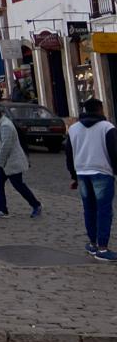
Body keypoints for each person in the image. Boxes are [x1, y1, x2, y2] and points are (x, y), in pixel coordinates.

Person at [64, 98, 117, 260]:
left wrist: (74, 175)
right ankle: (102, 248)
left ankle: (93, 243)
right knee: (104, 210)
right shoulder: (107, 127)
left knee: (89, 209)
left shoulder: (73, 129)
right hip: (102, 172)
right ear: (100, 109)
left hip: (82, 173)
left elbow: (68, 154)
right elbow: (114, 152)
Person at [0, 105, 41, 218]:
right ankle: (2, 209)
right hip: (2, 161)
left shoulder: (6, 125)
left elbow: (6, 146)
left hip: (11, 162)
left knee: (18, 185)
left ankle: (36, 205)